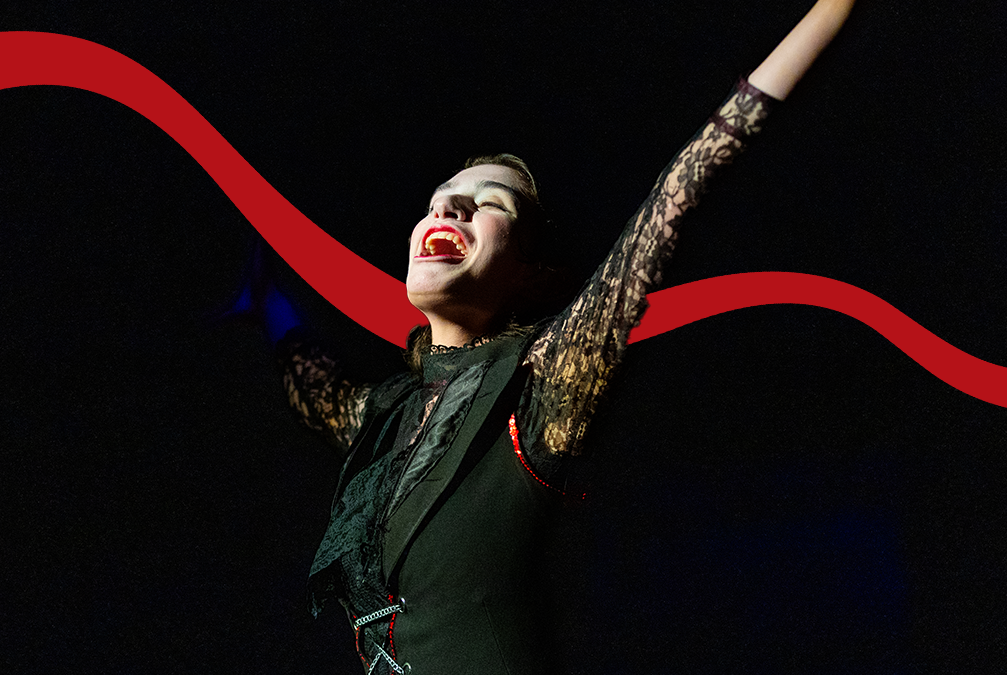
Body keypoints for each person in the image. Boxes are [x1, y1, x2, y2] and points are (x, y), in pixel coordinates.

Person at [260, 1, 856, 672]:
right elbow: (312, 382)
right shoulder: (383, 415)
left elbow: (680, 191)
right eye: (437, 199)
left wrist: (832, 11)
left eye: (488, 202)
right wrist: (265, 301)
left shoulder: (539, 384)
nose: (446, 207)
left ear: (530, 275)